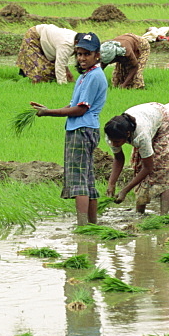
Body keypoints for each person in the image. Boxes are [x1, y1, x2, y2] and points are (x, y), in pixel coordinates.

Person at [30, 32, 108, 225]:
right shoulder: (86, 75)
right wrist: (47, 109)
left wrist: (48, 113)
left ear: (97, 54)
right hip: (83, 129)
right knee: (87, 179)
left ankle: (82, 226)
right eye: (79, 54)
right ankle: (92, 225)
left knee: (79, 181)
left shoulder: (94, 76)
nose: (81, 58)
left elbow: (80, 109)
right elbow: (73, 105)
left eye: (86, 54)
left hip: (82, 130)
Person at [104, 102, 169, 215]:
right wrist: (111, 184)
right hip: (149, 117)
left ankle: (164, 216)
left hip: (167, 124)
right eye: (112, 141)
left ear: (127, 134)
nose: (114, 144)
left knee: (164, 169)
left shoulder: (141, 136)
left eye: (117, 142)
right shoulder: (111, 134)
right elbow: (119, 159)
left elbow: (148, 167)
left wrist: (125, 190)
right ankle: (139, 214)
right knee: (138, 166)